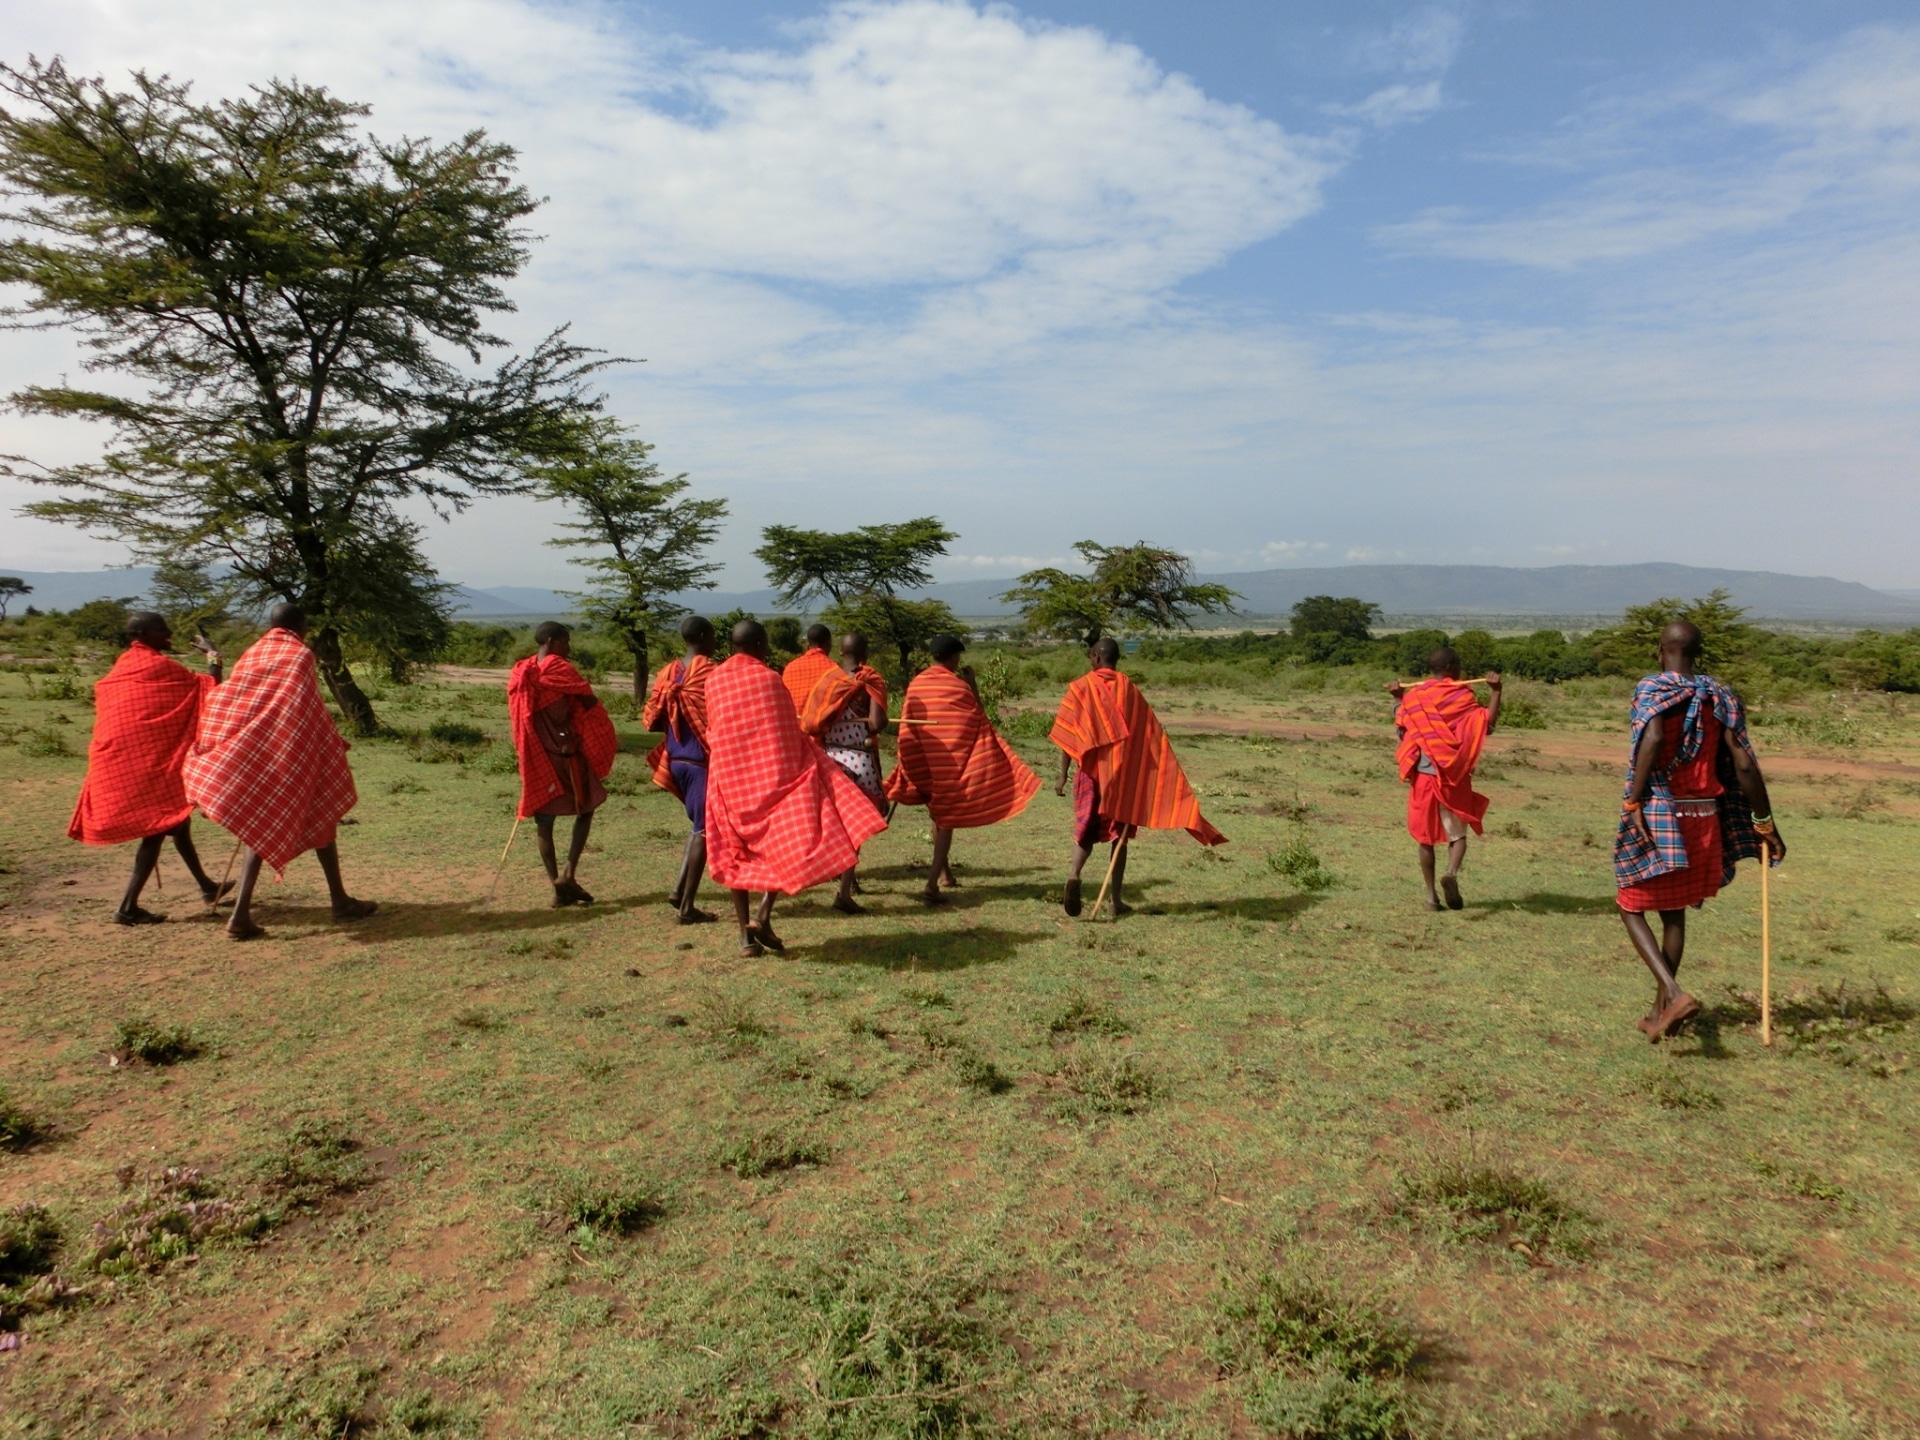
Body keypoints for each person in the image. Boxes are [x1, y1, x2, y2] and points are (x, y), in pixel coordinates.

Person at [1617, 620, 1785, 1041]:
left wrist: (1633, 798)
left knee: (1629, 903)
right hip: (1705, 819)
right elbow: (1744, 764)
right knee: (1672, 913)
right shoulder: (1721, 696)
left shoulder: (1652, 690)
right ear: (1698, 653)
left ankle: (1673, 994)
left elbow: (1653, 738)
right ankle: (1660, 1015)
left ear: (1660, 651)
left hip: (1659, 812)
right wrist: (1763, 822)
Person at [182, 603, 373, 940]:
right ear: (302, 626)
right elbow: (303, 707)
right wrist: (329, 740)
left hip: (251, 753)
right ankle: (255, 914)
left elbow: (235, 699)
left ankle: (334, 901)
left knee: (285, 823)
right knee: (308, 821)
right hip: (286, 752)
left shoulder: (254, 652)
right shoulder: (300, 655)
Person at [703, 619, 889, 956]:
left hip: (727, 779)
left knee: (735, 853)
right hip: (770, 778)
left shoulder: (713, 681)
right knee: (781, 844)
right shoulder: (769, 679)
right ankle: (763, 913)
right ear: (761, 646)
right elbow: (787, 734)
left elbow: (716, 729)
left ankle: (746, 937)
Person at [68, 611, 231, 924]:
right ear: (141, 633)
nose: (168, 632)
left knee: (178, 822)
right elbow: (209, 688)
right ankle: (127, 907)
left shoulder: (123, 666)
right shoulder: (156, 665)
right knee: (157, 828)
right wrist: (213, 654)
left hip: (125, 759)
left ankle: (208, 886)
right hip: (145, 762)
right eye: (161, 629)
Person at [1050, 637, 1225, 917]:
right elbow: (1147, 734)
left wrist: (1062, 775)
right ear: (1115, 659)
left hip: (1090, 773)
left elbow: (1068, 737)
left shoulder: (1080, 688)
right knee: (1119, 837)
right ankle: (1114, 901)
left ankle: (1073, 874)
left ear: (1095, 657)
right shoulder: (1129, 689)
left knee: (1085, 829)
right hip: (1122, 776)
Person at [885, 634, 1041, 904]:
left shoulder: (917, 683)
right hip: (951, 766)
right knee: (946, 820)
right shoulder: (958, 687)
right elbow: (978, 718)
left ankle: (945, 875)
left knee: (938, 816)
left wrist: (909, 760)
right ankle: (932, 883)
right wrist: (973, 685)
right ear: (954, 657)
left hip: (927, 761)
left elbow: (907, 727)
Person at [508, 621, 618, 907]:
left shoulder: (522, 672)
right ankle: (567, 874)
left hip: (536, 757)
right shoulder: (559, 668)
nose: (569, 648)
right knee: (588, 806)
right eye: (565, 641)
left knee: (544, 825)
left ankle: (557, 890)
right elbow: (588, 702)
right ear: (551, 640)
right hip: (565, 755)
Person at [1388, 650, 1503, 911]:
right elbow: (1487, 724)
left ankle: (1431, 898)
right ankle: (1451, 872)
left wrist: (1398, 699)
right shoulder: (1463, 697)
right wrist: (1496, 692)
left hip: (1423, 777)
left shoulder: (1415, 697)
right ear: (1451, 667)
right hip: (1454, 776)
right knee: (1458, 835)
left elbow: (1402, 731)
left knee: (1425, 839)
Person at [800, 632, 889, 914]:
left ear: (840, 652)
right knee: (857, 825)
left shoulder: (828, 679)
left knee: (837, 821)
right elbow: (875, 724)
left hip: (829, 758)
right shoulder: (871, 680)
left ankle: (839, 879)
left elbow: (814, 722)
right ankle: (844, 892)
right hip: (858, 757)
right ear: (866, 653)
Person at [643, 615, 717, 923]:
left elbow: (654, 719)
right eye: (712, 637)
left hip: (676, 759)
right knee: (703, 830)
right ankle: (687, 908)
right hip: (701, 761)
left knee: (699, 825)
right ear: (702, 636)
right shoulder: (711, 674)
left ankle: (677, 890)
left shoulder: (667, 673)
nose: (715, 643)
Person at [782, 623, 836, 716]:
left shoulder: (790, 668)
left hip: (794, 725)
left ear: (807, 644)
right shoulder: (835, 670)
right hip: (822, 727)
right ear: (828, 644)